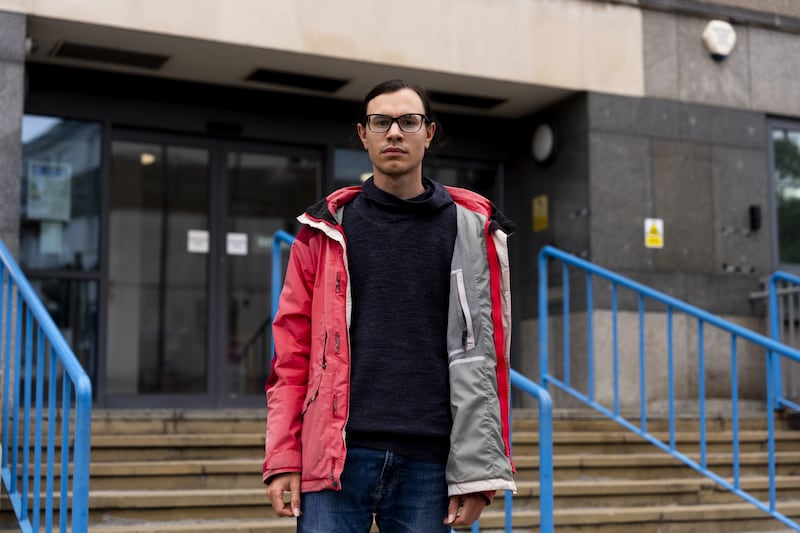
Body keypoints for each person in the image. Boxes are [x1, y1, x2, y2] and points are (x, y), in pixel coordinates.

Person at [262, 79, 516, 532]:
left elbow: (487, 358)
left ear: (429, 132)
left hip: (431, 462)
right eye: (381, 122)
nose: (394, 132)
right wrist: (284, 455)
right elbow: (292, 356)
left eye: (408, 121)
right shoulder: (323, 231)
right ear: (364, 134)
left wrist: (478, 474)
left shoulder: (471, 232)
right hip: (336, 458)